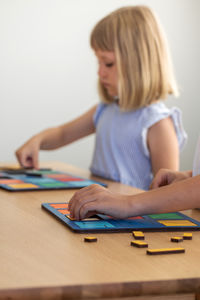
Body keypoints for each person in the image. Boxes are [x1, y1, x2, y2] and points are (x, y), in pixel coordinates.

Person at [15, 5, 187, 190]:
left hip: (128, 216)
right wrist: (38, 141)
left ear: (138, 64)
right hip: (98, 210)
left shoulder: (157, 124)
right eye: (98, 62)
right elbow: (63, 134)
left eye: (108, 63)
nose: (100, 72)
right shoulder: (105, 110)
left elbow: (167, 192)